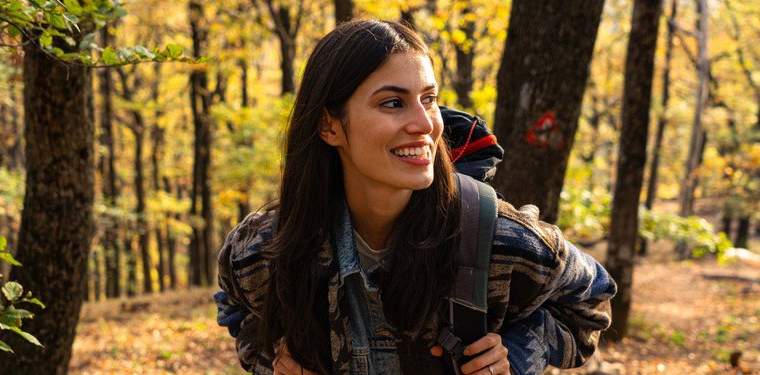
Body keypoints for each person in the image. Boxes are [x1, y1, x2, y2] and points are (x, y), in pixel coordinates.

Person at [214, 19, 616, 375]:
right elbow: (234, 307)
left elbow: (592, 304)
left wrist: (516, 353)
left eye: (429, 99)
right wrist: (270, 358)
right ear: (329, 126)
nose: (425, 124)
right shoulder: (263, 248)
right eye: (393, 103)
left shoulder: (499, 241)